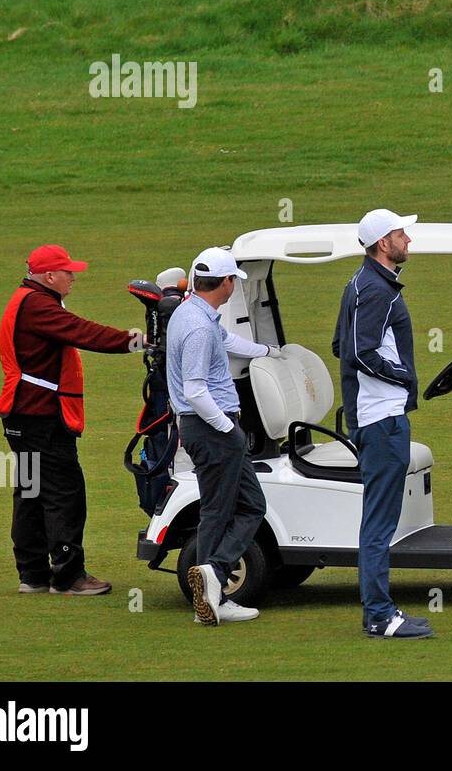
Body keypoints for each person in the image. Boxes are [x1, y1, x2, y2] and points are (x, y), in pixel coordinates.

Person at [0, 245, 143, 596]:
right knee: (65, 494)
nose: (73, 277)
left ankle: (32, 574)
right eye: (68, 272)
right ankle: (68, 576)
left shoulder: (29, 299)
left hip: (22, 415)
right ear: (49, 276)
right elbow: (82, 332)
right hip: (42, 417)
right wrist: (133, 342)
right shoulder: (38, 305)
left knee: (31, 492)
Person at [332, 209, 433, 640]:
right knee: (379, 522)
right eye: (400, 233)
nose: (407, 239)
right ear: (381, 244)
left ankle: (380, 609)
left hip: (378, 417)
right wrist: (406, 377)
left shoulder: (366, 284)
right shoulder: (375, 291)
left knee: (379, 519)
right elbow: (357, 351)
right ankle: (379, 615)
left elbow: (340, 343)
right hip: (382, 421)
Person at [165, 247, 279, 626]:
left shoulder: (195, 312)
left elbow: (228, 342)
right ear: (227, 282)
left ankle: (213, 586)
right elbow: (196, 391)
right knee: (221, 509)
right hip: (212, 428)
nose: (234, 288)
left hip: (210, 429)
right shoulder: (198, 326)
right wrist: (229, 429)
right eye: (234, 281)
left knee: (246, 506)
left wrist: (268, 351)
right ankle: (213, 579)